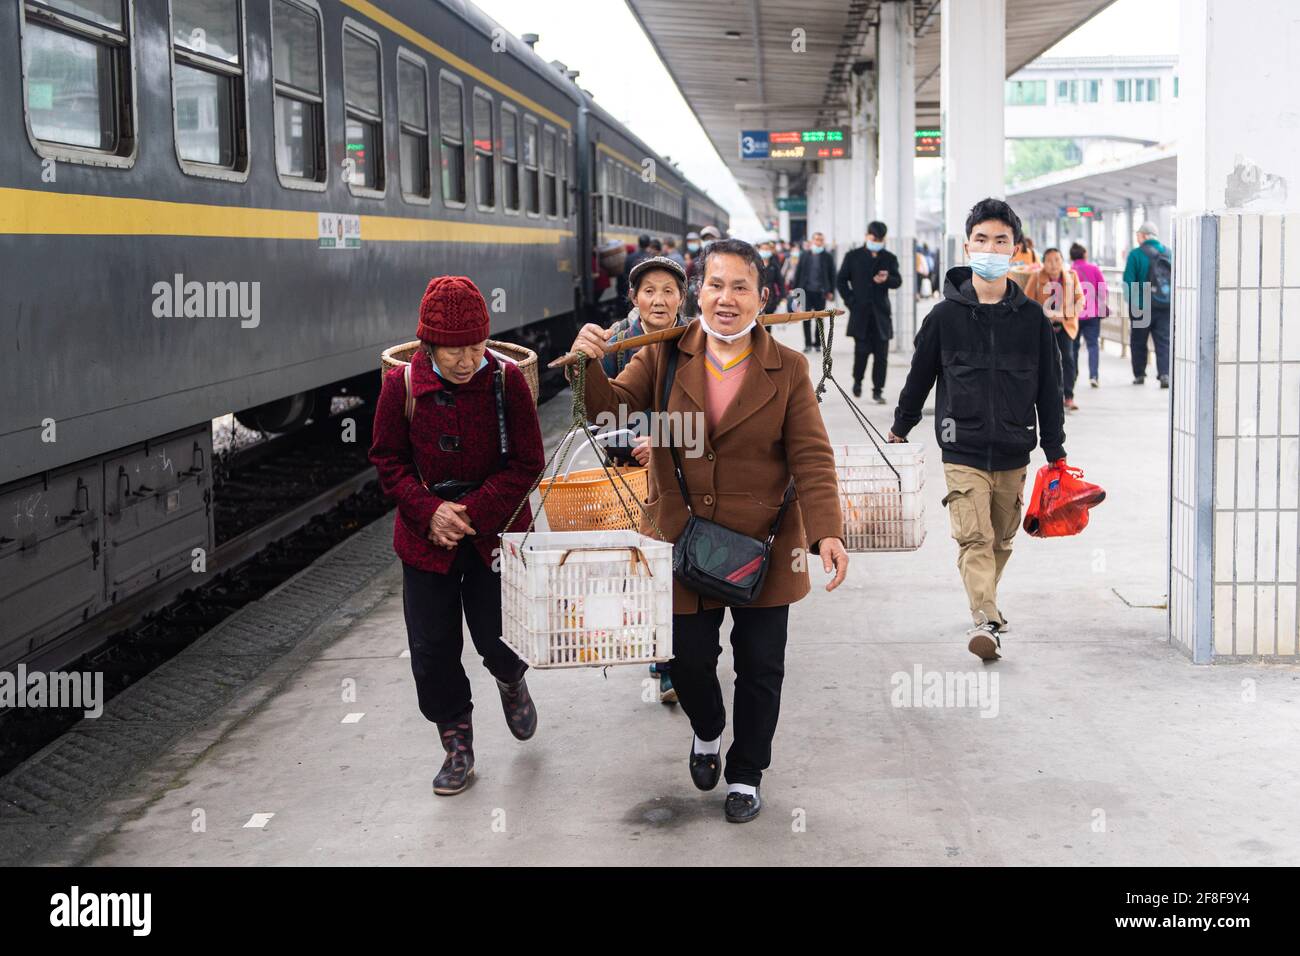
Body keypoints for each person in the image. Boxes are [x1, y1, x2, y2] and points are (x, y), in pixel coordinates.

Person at [566, 238, 849, 823]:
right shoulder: (666, 354)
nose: (726, 298)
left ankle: (747, 772)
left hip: (766, 543)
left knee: (761, 665)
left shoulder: (789, 368)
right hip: (683, 537)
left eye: (741, 286)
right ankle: (708, 729)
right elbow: (609, 413)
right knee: (689, 660)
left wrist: (827, 532)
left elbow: (813, 457)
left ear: (761, 297)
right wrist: (589, 364)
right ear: (699, 293)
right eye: (716, 285)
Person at [369, 276, 546, 795]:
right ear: (429, 346)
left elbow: (528, 464)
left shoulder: (507, 381)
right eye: (454, 351)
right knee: (432, 649)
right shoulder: (399, 388)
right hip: (426, 542)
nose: (468, 360)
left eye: (476, 347)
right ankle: (457, 744)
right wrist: (429, 511)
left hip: (493, 536)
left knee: (499, 637)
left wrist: (467, 512)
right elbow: (387, 461)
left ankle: (511, 681)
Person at [888, 199, 1066, 661]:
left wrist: (1056, 450)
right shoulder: (944, 318)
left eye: (1000, 241)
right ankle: (986, 619)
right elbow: (920, 377)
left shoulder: (1031, 321)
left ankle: (986, 601)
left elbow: (1050, 387)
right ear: (968, 246)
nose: (990, 247)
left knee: (1002, 537)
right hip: (961, 449)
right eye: (982, 240)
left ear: (1015, 249)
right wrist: (900, 428)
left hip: (1013, 448)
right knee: (974, 537)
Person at [597, 255, 690, 705]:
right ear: (633, 297)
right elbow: (601, 412)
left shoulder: (697, 339)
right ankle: (662, 657)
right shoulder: (616, 342)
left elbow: (714, 413)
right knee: (646, 568)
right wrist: (634, 441)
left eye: (668, 291)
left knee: (677, 567)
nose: (659, 299)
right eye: (649, 290)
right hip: (630, 476)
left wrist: (666, 439)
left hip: (682, 474)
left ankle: (673, 659)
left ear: (681, 298)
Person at [836, 221, 902, 403]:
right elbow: (841, 280)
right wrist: (851, 301)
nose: (877, 242)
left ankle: (878, 390)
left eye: (880, 239)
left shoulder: (889, 258)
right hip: (860, 313)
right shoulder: (853, 256)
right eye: (874, 238)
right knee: (862, 352)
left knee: (882, 357)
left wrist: (887, 279)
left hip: (881, 315)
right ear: (867, 236)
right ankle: (857, 381)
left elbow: (898, 281)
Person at [1024, 247, 1086, 411]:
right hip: (1043, 328)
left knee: (1068, 359)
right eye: (1050, 260)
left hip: (1065, 325)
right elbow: (1027, 302)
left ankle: (1069, 396)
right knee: (1045, 361)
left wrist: (1063, 315)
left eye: (1057, 260)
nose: (1054, 264)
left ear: (1062, 261)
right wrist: (1046, 316)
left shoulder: (1071, 277)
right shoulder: (1036, 278)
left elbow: (1080, 301)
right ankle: (1047, 396)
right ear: (1043, 262)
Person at [1122, 221, 1172, 387]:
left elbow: (1128, 281)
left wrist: (1133, 304)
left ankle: (1139, 374)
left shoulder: (1136, 254)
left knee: (1138, 341)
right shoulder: (1168, 253)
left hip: (1142, 305)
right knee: (1163, 341)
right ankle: (1164, 374)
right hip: (1165, 304)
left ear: (1143, 236)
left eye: (1138, 235)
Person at [1069, 242, 1108, 388]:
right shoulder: (1094, 269)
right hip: (1092, 314)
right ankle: (1094, 376)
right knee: (1093, 345)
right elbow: (1103, 289)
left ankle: (1072, 375)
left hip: (1074, 314)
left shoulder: (1069, 271)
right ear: (1084, 254)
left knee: (1073, 346)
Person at [792, 230, 836, 351]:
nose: (818, 242)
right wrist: (796, 292)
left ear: (823, 242)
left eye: (821, 240)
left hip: (821, 292)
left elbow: (832, 275)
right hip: (806, 291)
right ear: (812, 241)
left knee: (819, 319)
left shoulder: (827, 257)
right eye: (816, 239)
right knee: (806, 318)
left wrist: (831, 291)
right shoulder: (804, 255)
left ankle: (817, 343)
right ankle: (807, 344)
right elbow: (798, 273)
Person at [757, 239, 785, 314]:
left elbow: (780, 282)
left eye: (767, 249)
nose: (765, 251)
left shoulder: (774, 265)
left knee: (769, 321)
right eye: (763, 249)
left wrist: (782, 296)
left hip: (771, 296)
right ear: (759, 250)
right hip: (757, 296)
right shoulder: (755, 265)